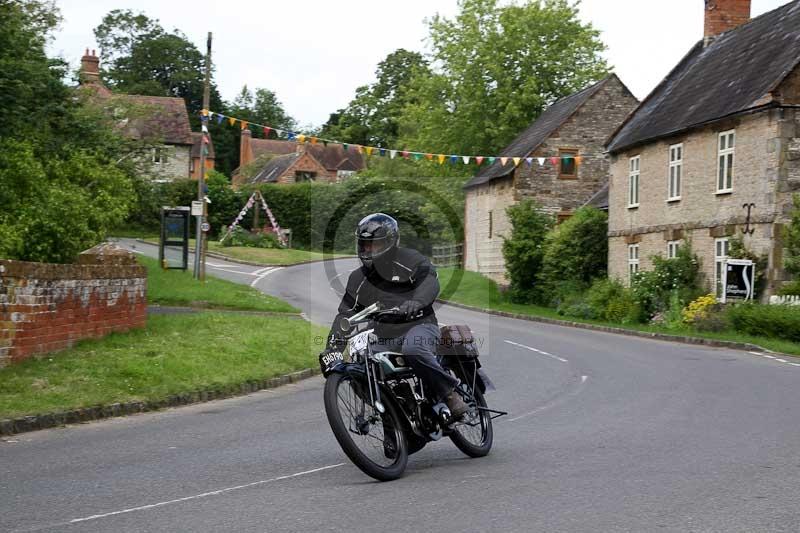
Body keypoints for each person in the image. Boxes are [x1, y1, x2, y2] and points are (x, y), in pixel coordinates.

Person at [325, 213, 469, 419]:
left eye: (372, 244)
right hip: (384, 337)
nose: (367, 250)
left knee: (414, 349)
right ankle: (396, 418)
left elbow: (430, 281)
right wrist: (331, 351)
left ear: (389, 242)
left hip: (420, 326)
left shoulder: (410, 260)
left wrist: (417, 301)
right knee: (358, 368)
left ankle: (449, 393)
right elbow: (344, 318)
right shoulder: (357, 279)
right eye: (364, 245)